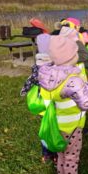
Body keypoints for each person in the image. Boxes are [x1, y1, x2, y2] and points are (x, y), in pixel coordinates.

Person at [38, 35, 88, 174]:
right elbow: (87, 103)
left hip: (56, 125)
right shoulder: (72, 81)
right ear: (71, 57)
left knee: (61, 155)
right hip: (72, 127)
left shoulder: (48, 76)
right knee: (71, 158)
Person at [20, 34, 57, 164]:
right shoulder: (56, 64)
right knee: (56, 129)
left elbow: (30, 80)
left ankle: (46, 154)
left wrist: (24, 90)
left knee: (45, 129)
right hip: (54, 104)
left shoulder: (37, 65)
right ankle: (57, 153)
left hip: (42, 104)